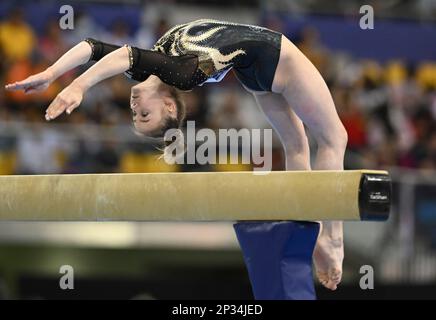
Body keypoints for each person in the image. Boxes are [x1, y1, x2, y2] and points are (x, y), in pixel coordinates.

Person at [5, 19, 347, 291]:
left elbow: (92, 47)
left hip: (255, 67)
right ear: (169, 103)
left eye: (134, 115)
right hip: (276, 54)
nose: (134, 108)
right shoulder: (179, 73)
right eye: (145, 115)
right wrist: (78, 85)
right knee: (332, 138)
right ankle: (330, 239)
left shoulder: (144, 71)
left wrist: (51, 75)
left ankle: (314, 232)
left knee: (298, 144)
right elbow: (123, 53)